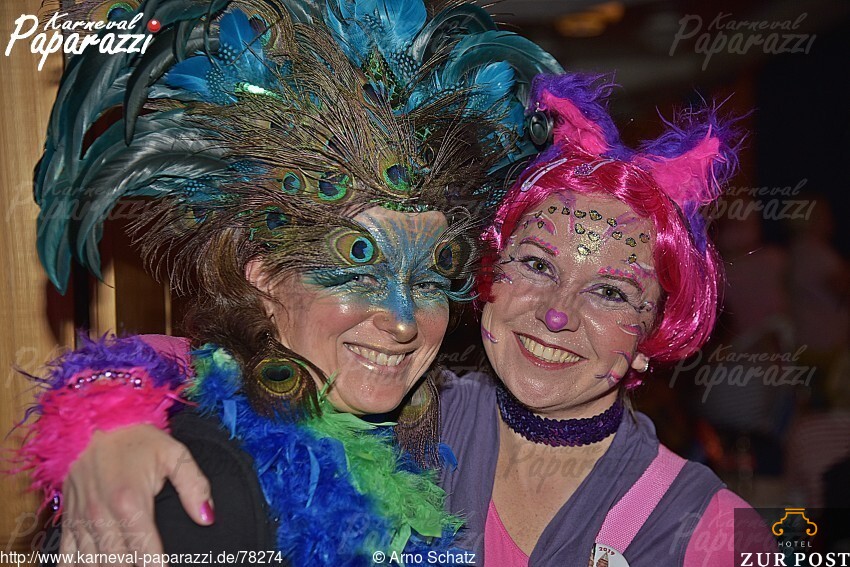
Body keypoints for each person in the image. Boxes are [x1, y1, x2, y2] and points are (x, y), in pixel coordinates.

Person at [16, 0, 562, 564]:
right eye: (359, 268)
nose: (402, 321)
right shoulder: (196, 481)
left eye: (427, 280)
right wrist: (103, 408)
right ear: (263, 275)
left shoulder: (416, 439)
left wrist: (105, 395)